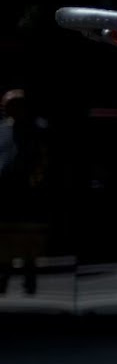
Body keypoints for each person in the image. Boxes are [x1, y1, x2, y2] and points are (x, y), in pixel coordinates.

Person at [0, 89, 47, 296]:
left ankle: (29, 275)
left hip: (28, 193)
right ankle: (3, 276)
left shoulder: (37, 129)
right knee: (4, 239)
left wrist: (36, 180)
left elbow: (44, 158)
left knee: (28, 238)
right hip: (5, 192)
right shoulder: (1, 130)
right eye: (8, 105)